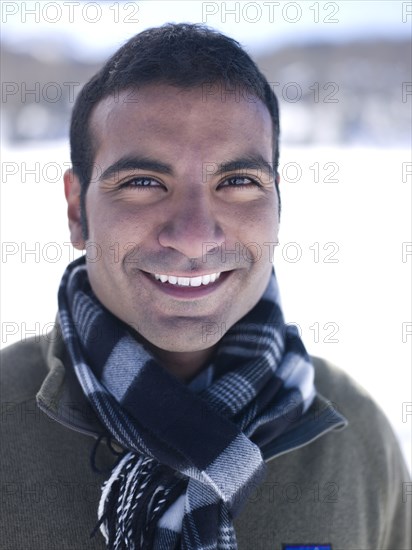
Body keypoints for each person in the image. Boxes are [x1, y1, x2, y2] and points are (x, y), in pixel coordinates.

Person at [1, 23, 410, 550]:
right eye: (143, 183)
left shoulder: (354, 436)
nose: (194, 237)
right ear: (77, 209)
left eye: (237, 182)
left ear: (278, 204)